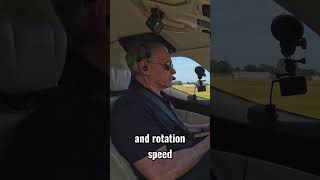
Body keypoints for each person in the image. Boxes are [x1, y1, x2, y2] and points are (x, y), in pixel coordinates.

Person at [111, 41, 211, 180]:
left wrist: (205, 128)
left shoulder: (156, 97)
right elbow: (160, 170)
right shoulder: (131, 108)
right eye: (168, 65)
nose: (173, 71)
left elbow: (176, 128)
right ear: (144, 67)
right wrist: (207, 143)